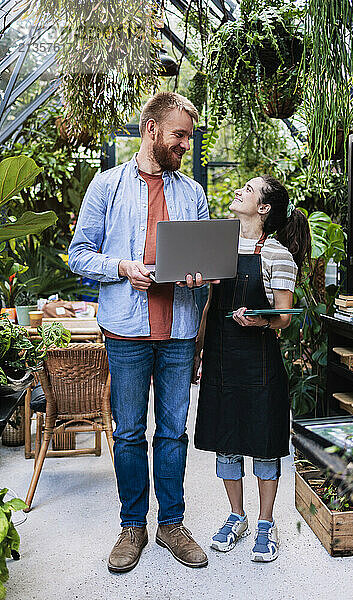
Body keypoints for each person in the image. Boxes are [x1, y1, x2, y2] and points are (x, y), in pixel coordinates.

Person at [68, 92, 217, 572]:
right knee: (130, 433)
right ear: (151, 131)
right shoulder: (106, 185)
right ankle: (133, 526)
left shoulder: (191, 192)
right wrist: (121, 266)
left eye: (189, 138)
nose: (185, 146)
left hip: (177, 329)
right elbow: (79, 254)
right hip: (127, 333)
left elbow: (200, 258)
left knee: (173, 431)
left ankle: (171, 524)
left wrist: (201, 274)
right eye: (179, 136)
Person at [193, 175, 311, 562]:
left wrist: (260, 321)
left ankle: (265, 522)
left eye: (250, 189)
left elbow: (283, 317)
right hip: (222, 358)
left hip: (259, 363)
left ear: (263, 208)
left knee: (262, 443)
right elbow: (210, 304)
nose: (241, 190)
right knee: (226, 441)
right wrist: (198, 349)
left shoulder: (277, 254)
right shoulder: (217, 246)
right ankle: (235, 516)